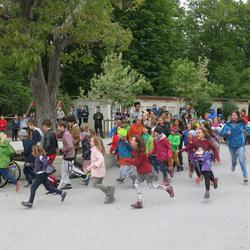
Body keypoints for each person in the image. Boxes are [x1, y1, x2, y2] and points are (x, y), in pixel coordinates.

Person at [125, 136, 174, 209]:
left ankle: (167, 188)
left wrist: (128, 160)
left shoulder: (141, 152)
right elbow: (135, 159)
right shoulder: (135, 149)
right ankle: (139, 202)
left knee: (152, 186)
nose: (130, 141)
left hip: (147, 172)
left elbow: (137, 162)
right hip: (140, 172)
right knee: (136, 184)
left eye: (132, 140)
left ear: (137, 143)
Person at [180, 128, 220, 199]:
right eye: (197, 133)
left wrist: (217, 157)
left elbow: (214, 149)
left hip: (207, 160)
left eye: (199, 133)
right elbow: (188, 147)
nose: (198, 134)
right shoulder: (195, 142)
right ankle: (214, 180)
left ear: (203, 134)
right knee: (207, 172)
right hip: (199, 160)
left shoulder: (208, 142)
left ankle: (207, 192)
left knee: (206, 174)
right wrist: (180, 151)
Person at [220, 111, 250, 183]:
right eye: (232, 115)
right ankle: (233, 165)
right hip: (232, 145)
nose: (233, 116)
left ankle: (245, 175)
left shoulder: (242, 123)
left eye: (235, 115)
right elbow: (221, 133)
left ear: (238, 116)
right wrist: (227, 133)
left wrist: (247, 129)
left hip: (240, 144)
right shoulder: (228, 124)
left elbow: (248, 130)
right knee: (234, 160)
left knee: (242, 160)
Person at [85, 137, 115, 204]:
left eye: (91, 141)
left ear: (95, 143)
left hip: (98, 171)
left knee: (94, 184)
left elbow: (101, 159)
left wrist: (96, 165)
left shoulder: (95, 150)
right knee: (100, 185)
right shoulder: (94, 150)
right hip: (98, 171)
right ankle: (110, 196)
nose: (90, 142)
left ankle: (110, 189)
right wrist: (88, 169)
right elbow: (93, 163)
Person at [57, 121, 75, 190]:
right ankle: (67, 183)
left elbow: (70, 145)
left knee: (71, 169)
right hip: (68, 154)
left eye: (58, 127)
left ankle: (85, 176)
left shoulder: (66, 134)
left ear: (62, 127)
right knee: (64, 169)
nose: (58, 128)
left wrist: (63, 150)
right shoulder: (65, 133)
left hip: (69, 154)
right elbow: (73, 141)